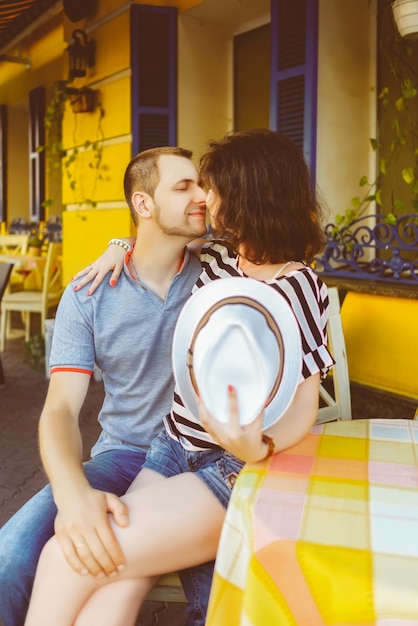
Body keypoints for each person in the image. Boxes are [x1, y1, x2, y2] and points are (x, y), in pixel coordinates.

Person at [24, 129, 335, 626]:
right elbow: (153, 244)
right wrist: (117, 245)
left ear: (248, 194)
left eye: (211, 188)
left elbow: (304, 403)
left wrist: (262, 446)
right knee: (113, 589)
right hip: (169, 450)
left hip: (232, 465)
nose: (202, 199)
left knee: (68, 557)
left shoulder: (299, 287)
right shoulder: (216, 260)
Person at [0, 146, 215, 626]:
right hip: (122, 455)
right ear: (143, 204)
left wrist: (121, 241)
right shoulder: (88, 293)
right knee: (10, 555)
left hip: (203, 461)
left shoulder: (217, 272)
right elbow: (59, 410)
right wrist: (72, 492)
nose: (201, 195)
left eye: (200, 184)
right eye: (183, 187)